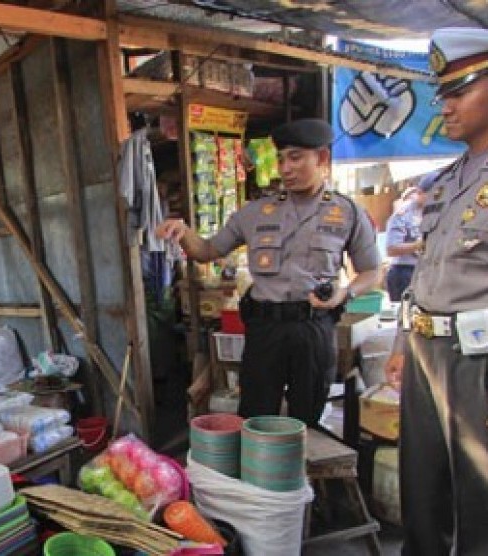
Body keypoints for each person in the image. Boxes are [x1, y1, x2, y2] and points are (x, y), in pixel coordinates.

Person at [156, 118, 380, 426]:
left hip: (313, 329)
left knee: (307, 419)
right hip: (265, 330)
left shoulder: (348, 212)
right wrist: (183, 232)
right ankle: (258, 475)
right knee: (255, 417)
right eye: (281, 158)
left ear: (322, 158)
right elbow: (208, 251)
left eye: (296, 157)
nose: (285, 167)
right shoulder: (255, 212)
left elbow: (372, 271)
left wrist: (345, 292)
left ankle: (302, 473)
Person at [384, 27, 488, 555]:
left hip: (479, 361)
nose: (444, 105)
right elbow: (428, 271)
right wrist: (405, 343)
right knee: (421, 495)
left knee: (481, 506)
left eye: (459, 90)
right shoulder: (448, 178)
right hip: (430, 350)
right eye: (441, 92)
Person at [384, 185, 426, 301]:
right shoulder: (404, 213)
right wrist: (418, 245)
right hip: (405, 271)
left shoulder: (437, 211)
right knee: (405, 313)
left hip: (428, 271)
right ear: (421, 193)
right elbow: (391, 248)